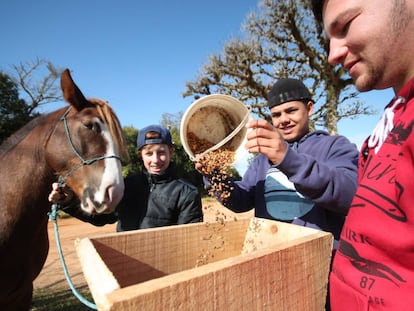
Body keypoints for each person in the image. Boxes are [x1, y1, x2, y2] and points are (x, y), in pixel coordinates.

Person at [311, 1, 414, 310]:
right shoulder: (390, 120)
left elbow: (342, 190)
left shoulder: (333, 145)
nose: (332, 55)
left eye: (345, 26)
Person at [196, 78, 359, 249]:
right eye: (276, 115)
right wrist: (213, 175)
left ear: (309, 108)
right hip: (270, 255)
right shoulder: (263, 159)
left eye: (291, 111)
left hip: (320, 259)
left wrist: (286, 159)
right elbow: (240, 201)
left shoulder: (334, 146)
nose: (283, 120)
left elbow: (351, 195)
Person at [49, 124, 203, 231]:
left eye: (161, 152)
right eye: (149, 153)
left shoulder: (187, 192)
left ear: (171, 152)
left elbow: (188, 238)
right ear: (140, 155)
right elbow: (101, 217)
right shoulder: (126, 185)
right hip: (125, 265)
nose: (155, 160)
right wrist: (69, 201)